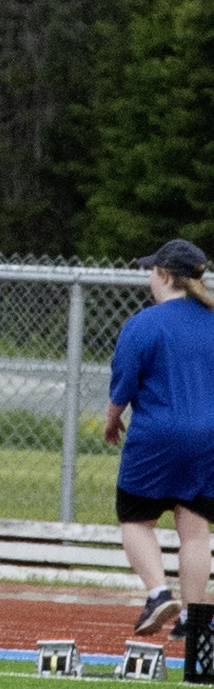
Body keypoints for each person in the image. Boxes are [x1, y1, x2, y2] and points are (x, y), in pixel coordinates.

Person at [104, 237, 214, 639]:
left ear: (165, 276)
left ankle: (157, 593)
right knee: (196, 529)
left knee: (135, 518)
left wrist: (111, 420)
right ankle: (194, 618)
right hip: (209, 437)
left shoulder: (145, 324)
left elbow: (124, 384)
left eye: (153, 270)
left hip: (158, 434)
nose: (149, 276)